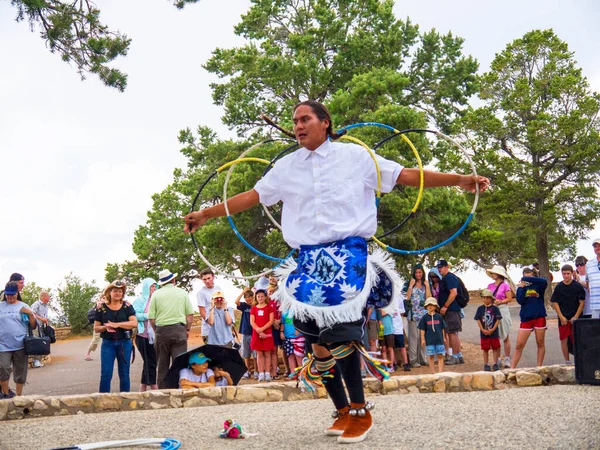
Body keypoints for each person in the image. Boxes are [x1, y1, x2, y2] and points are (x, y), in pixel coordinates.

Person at [183, 100, 488, 443]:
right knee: (317, 343)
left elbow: (405, 175)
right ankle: (342, 410)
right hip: (307, 260)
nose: (298, 125)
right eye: (295, 120)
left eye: (305, 119)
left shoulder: (356, 157)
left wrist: (459, 179)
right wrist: (207, 214)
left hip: (348, 258)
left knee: (340, 333)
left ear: (325, 122)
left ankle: (360, 410)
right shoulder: (286, 167)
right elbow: (253, 196)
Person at [149, 269, 194, 389]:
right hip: (179, 330)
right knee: (179, 364)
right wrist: (187, 330)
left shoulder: (156, 294)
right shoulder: (182, 293)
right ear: (173, 280)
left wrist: (156, 330)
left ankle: (163, 392)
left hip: (161, 330)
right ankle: (178, 390)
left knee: (162, 365)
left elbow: (151, 318)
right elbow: (189, 315)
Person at [94, 280, 137, 393]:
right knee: (106, 374)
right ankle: (103, 400)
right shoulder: (101, 308)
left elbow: (134, 323)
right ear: (110, 292)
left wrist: (117, 325)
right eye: (115, 291)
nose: (118, 293)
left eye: (120, 291)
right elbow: (96, 328)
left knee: (124, 374)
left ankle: (125, 399)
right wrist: (105, 327)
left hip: (125, 343)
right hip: (108, 344)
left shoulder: (127, 307)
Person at [0, 281, 36, 398]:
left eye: (12, 294)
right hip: (3, 344)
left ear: (17, 293)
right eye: (7, 294)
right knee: (3, 368)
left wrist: (30, 314)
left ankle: (19, 397)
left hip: (20, 344)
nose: (9, 297)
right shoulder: (1, 306)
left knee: (20, 371)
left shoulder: (23, 306)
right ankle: (5, 394)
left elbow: (33, 325)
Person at [511, 268, 548, 368]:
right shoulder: (521, 288)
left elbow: (545, 281)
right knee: (519, 344)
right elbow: (520, 301)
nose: (527, 279)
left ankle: (539, 366)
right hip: (526, 317)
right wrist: (522, 287)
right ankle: (512, 368)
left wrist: (530, 279)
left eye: (529, 277)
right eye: (525, 277)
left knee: (540, 342)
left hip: (539, 316)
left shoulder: (539, 285)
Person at [551, 264, 586, 365]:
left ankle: (579, 360)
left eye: (568, 274)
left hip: (576, 317)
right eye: (564, 274)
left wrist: (576, 316)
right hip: (563, 318)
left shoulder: (577, 286)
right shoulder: (559, 287)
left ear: (572, 273)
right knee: (564, 340)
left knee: (577, 340)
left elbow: (582, 302)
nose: (566, 276)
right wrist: (561, 317)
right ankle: (567, 361)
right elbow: (555, 302)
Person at [486, 265, 516, 368]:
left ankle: (507, 358)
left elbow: (509, 298)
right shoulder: (490, 286)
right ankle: (497, 359)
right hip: (493, 310)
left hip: (502, 309)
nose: (493, 275)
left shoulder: (505, 285)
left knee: (505, 335)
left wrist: (500, 302)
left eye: (494, 273)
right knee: (495, 336)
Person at [436, 260, 464, 365]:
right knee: (451, 332)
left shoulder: (449, 277)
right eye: (439, 267)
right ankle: (459, 355)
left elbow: (453, 293)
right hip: (450, 309)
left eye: (442, 267)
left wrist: (445, 306)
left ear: (447, 267)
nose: (440, 269)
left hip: (451, 309)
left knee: (452, 332)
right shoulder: (445, 278)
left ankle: (455, 356)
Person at [133, 278, 158, 391]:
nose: (154, 288)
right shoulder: (139, 301)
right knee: (149, 361)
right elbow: (135, 315)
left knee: (151, 360)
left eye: (155, 286)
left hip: (155, 335)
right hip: (142, 335)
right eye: (152, 286)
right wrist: (147, 316)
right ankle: (153, 385)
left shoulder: (157, 299)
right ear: (146, 288)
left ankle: (142, 387)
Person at [404, 264, 431, 368]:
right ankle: (413, 359)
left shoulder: (425, 285)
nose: (418, 274)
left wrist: (427, 286)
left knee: (423, 337)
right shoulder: (409, 283)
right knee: (413, 338)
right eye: (416, 272)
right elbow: (406, 297)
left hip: (423, 314)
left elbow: (429, 298)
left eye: (420, 272)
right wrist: (411, 286)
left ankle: (423, 358)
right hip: (413, 314)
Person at [474, 289, 502, 371]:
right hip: (484, 332)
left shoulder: (495, 308)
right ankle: (486, 363)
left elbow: (498, 319)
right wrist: (482, 329)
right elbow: (478, 319)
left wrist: (493, 329)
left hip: (494, 332)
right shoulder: (480, 309)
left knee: (495, 348)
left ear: (491, 298)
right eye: (484, 298)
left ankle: (495, 363)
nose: (485, 299)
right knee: (485, 348)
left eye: (487, 298)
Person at [250, 289, 274, 382]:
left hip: (267, 333)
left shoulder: (269, 307)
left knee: (267, 353)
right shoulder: (254, 308)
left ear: (265, 297)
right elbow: (252, 321)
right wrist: (258, 330)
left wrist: (263, 329)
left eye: (262, 296)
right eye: (258, 296)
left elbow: (271, 321)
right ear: (256, 297)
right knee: (259, 354)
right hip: (257, 333)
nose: (260, 298)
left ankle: (267, 372)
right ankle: (261, 373)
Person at [418, 297, 447, 374]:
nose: (430, 306)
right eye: (428, 305)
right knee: (431, 356)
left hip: (439, 340)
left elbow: (442, 328)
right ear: (426, 306)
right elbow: (422, 329)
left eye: (432, 305)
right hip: (429, 341)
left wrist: (443, 337)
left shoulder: (439, 317)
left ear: (435, 306)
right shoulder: (424, 318)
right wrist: (423, 339)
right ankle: (433, 371)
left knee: (440, 355)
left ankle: (440, 371)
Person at [235, 288, 257, 378]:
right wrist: (243, 292)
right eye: (246, 297)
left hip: (254, 332)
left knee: (255, 353)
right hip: (245, 332)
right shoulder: (244, 306)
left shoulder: (255, 306)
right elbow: (236, 302)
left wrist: (255, 293)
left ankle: (257, 371)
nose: (248, 299)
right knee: (246, 353)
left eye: (249, 297)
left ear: (253, 297)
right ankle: (247, 371)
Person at [196, 268, 222, 344]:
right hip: (208, 330)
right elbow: (202, 311)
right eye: (204, 279)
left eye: (208, 278)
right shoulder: (201, 293)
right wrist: (210, 322)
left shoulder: (218, 288)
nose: (207, 281)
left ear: (213, 277)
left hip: (220, 328)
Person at [280, 309, 305, 373]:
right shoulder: (284, 312)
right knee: (290, 355)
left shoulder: (298, 310)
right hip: (288, 337)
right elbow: (283, 323)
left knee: (299, 355)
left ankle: (302, 374)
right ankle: (293, 373)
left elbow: (303, 321)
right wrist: (281, 332)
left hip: (298, 337)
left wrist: (300, 329)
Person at [30, 290, 51, 368]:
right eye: (48, 296)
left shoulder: (46, 306)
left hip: (42, 326)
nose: (49, 298)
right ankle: (35, 361)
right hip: (35, 326)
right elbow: (32, 314)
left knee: (42, 342)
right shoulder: (36, 304)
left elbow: (45, 315)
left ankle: (38, 360)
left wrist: (45, 321)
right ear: (43, 297)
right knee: (37, 342)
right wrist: (42, 319)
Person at [391, 292, 410, 371]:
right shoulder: (386, 299)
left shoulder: (399, 298)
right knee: (392, 346)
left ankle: (406, 363)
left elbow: (402, 312)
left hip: (398, 327)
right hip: (390, 327)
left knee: (401, 346)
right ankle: (394, 363)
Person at [84, 294, 106, 361]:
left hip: (107, 325)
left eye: (106, 298)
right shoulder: (99, 306)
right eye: (103, 298)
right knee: (95, 340)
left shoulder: (108, 305)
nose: (104, 299)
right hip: (99, 326)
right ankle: (87, 354)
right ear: (101, 298)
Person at [585, 239, 600, 319]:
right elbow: (587, 281)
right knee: (595, 330)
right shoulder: (589, 264)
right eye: (595, 246)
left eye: (599, 246)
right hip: (595, 306)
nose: (597, 248)